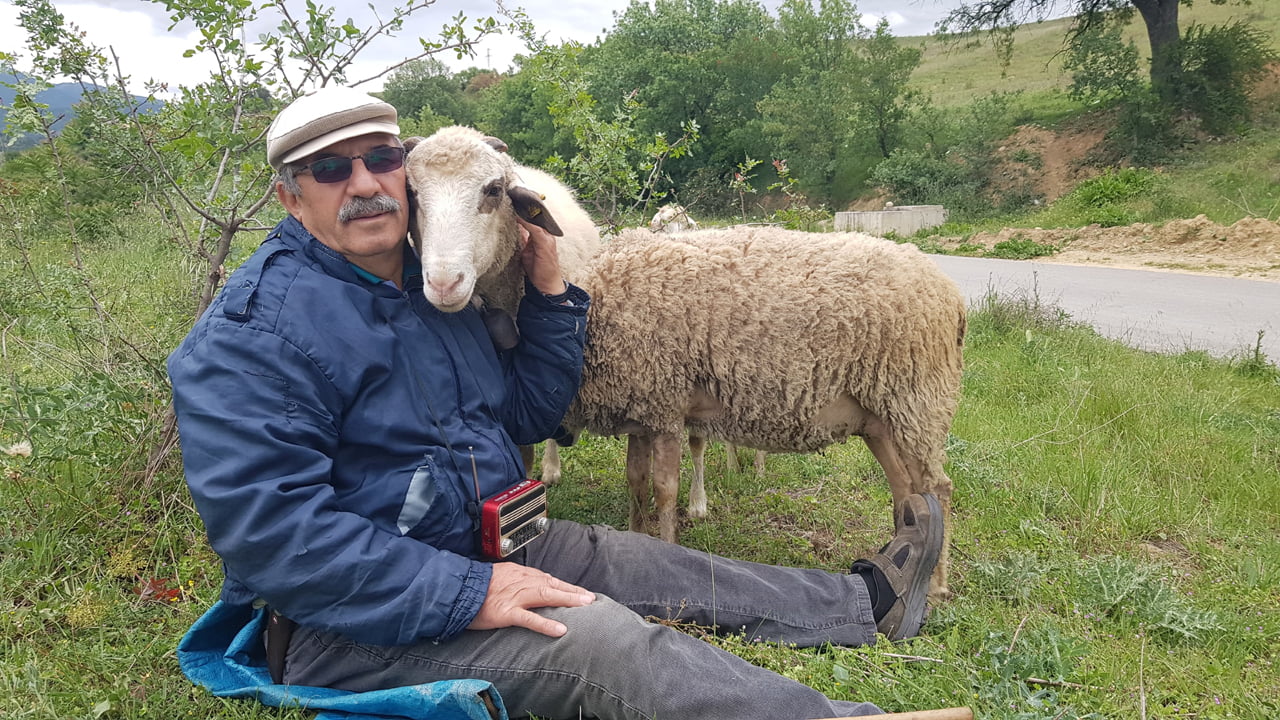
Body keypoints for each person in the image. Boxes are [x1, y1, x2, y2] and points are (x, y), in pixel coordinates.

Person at [167, 86, 946, 720]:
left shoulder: (429, 292)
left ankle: (866, 601)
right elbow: (274, 539)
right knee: (600, 640)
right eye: (332, 170)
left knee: (646, 561)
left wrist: (548, 296)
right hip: (353, 617)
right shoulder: (251, 336)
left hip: (484, 540)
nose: (366, 183)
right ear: (289, 195)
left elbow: (523, 417)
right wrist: (473, 591)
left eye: (379, 159)